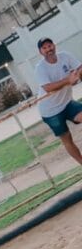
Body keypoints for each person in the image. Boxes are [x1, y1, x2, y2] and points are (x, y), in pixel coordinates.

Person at [35, 37, 82, 166]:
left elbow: (79, 68)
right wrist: (68, 80)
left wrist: (78, 75)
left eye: (49, 46)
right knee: (67, 139)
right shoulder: (40, 68)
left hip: (67, 103)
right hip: (50, 111)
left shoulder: (65, 56)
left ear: (54, 46)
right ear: (40, 52)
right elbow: (47, 87)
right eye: (44, 48)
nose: (48, 49)